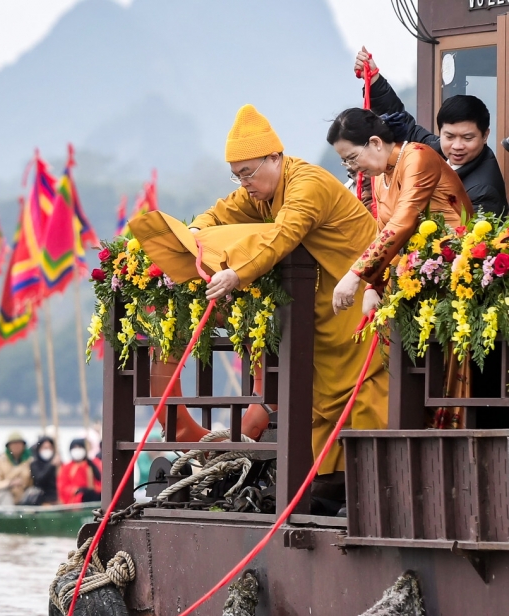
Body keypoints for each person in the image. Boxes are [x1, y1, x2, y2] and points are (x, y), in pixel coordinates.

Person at [182, 104, 388, 500]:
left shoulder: (304, 185)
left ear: (275, 157)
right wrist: (195, 230)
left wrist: (237, 275)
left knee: (363, 384)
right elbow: (222, 212)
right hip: (326, 302)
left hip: (363, 291)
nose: (244, 183)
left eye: (249, 172)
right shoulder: (261, 192)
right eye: (237, 175)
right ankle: (329, 475)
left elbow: (282, 237)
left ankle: (368, 479)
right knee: (319, 391)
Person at [328, 108, 474, 431]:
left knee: (441, 374)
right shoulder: (382, 179)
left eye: (352, 159)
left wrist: (355, 276)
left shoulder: (417, 158)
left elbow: (403, 222)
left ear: (376, 143)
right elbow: (384, 235)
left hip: (455, 277)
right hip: (417, 279)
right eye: (347, 164)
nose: (353, 169)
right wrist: (372, 287)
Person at [354, 48, 507, 216]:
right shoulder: (436, 150)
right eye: (449, 136)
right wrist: (374, 78)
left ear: (485, 135)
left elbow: (466, 240)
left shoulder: (484, 191)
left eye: (467, 138)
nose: (457, 146)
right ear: (440, 132)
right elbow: (404, 126)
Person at [0, 431, 32, 506]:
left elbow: (31, 482)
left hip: (21, 498)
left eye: (19, 443)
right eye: (14, 443)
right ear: (8, 446)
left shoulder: (29, 462)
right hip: (1, 498)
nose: (17, 446)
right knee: (5, 495)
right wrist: (10, 483)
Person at [58, 438, 102, 504]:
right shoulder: (66, 467)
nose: (77, 450)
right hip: (77, 501)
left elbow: (103, 482)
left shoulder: (95, 463)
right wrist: (77, 490)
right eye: (75, 448)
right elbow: (63, 487)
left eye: (80, 447)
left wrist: (93, 490)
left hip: (95, 498)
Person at [27, 436, 60, 506]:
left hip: (57, 498)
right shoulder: (34, 464)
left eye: (50, 448)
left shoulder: (58, 464)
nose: (47, 450)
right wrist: (51, 465)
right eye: (45, 448)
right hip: (42, 498)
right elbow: (39, 480)